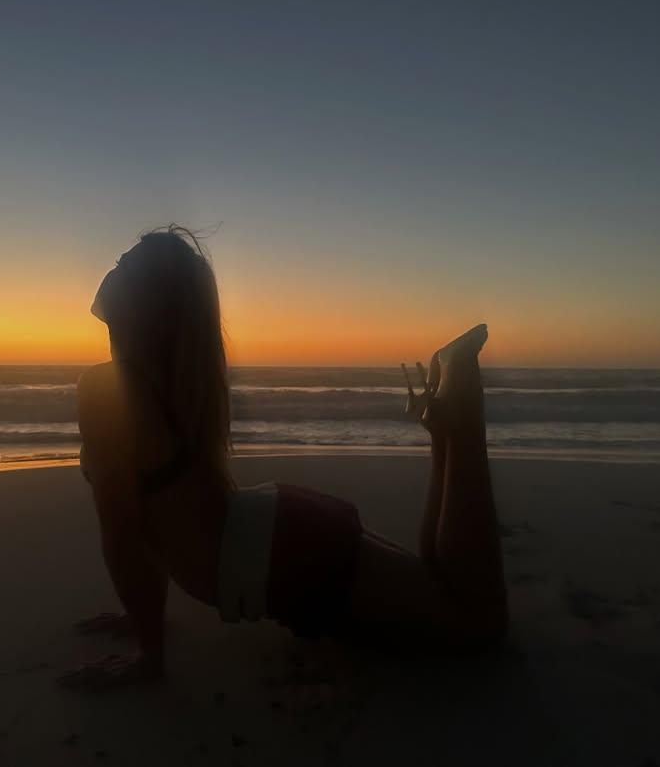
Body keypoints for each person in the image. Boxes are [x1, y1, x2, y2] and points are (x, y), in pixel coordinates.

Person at [62, 226, 507, 689]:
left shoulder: (110, 389)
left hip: (275, 555)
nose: (112, 270)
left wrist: (149, 655)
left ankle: (463, 403)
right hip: (268, 535)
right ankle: (446, 431)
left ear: (147, 301)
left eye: (126, 265)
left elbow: (123, 534)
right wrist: (139, 615)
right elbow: (151, 520)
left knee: (478, 624)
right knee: (438, 587)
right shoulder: (168, 381)